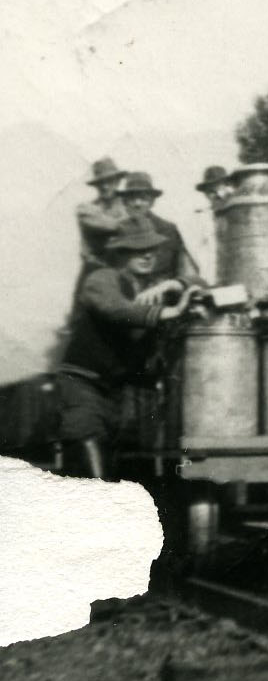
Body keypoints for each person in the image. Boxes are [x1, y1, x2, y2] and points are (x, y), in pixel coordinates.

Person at [56, 215, 198, 479]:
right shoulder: (101, 278)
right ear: (120, 254)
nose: (147, 256)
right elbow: (115, 309)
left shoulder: (154, 288)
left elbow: (200, 283)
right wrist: (166, 312)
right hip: (82, 385)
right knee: (89, 455)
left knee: (116, 467)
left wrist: (176, 283)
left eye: (151, 249)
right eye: (137, 251)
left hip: (115, 391)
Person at [116, 171, 206, 297]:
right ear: (124, 202)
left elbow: (187, 272)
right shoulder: (116, 231)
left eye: (143, 198)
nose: (137, 203)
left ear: (152, 202)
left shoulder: (168, 230)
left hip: (163, 299)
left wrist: (170, 286)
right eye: (132, 198)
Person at [74, 157, 129, 294]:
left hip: (125, 271)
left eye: (109, 181)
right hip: (96, 271)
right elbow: (114, 226)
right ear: (96, 186)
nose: (105, 187)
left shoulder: (128, 205)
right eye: (101, 183)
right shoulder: (87, 209)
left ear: (117, 181)